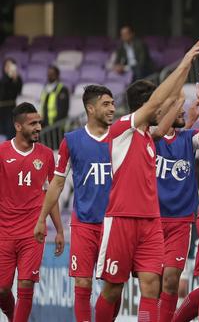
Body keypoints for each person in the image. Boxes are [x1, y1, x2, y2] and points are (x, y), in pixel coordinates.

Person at [92, 38, 199, 322]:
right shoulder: (123, 128)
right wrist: (184, 63)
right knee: (113, 288)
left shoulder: (148, 135)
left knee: (152, 285)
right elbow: (161, 101)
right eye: (155, 104)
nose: (161, 108)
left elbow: (168, 117)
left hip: (150, 221)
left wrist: (184, 80)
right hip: (121, 219)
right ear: (143, 106)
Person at [33, 85, 117, 322]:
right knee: (82, 281)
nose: (112, 108)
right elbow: (57, 184)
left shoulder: (120, 137)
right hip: (83, 223)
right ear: (90, 109)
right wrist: (41, 219)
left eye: (113, 103)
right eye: (106, 104)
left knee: (113, 285)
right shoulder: (71, 140)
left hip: (114, 224)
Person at [153, 72, 199, 322]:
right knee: (153, 283)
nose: (181, 112)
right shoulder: (149, 140)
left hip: (181, 221)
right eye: (175, 109)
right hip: (153, 221)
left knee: (170, 281)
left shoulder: (187, 140)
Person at [0, 102, 64, 322]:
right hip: (4, 231)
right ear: (18, 126)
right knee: (2, 289)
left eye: (39, 122)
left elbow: (51, 195)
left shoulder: (46, 155)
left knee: (26, 283)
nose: (39, 127)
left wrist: (59, 230)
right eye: (32, 123)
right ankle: (11, 314)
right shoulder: (2, 152)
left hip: (33, 230)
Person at [0, 58, 22, 138]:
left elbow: (18, 91)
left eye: (11, 65)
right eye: (7, 65)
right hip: (1, 108)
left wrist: (15, 79)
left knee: (10, 131)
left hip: (10, 108)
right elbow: (2, 94)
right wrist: (8, 78)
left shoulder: (17, 79)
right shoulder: (2, 79)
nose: (8, 67)